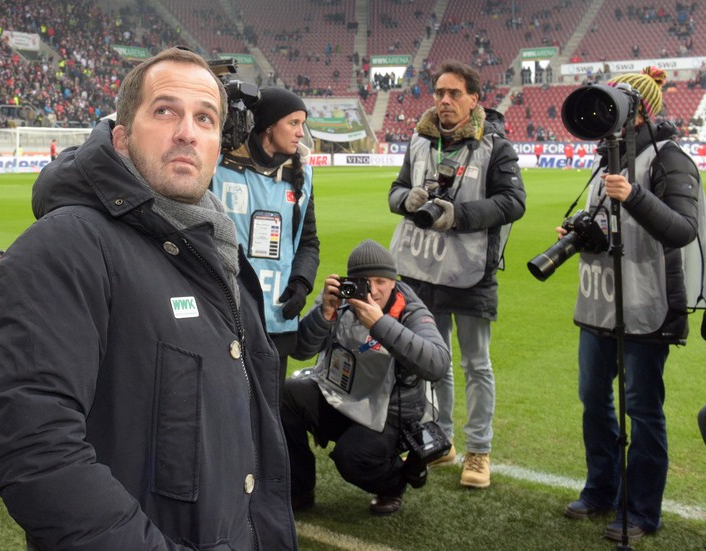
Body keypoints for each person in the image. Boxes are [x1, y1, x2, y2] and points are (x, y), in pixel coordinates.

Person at [0, 47, 297, 550]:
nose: (187, 131)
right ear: (121, 138)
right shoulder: (66, 246)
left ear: (218, 146)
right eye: (165, 111)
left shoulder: (215, 248)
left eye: (205, 118)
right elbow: (31, 448)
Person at [560, 67, 700, 543]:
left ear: (640, 109)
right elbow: (608, 225)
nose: (605, 110)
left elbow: (683, 229)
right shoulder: (605, 160)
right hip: (599, 304)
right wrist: (579, 234)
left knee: (641, 411)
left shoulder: (671, 159)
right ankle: (600, 490)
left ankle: (640, 512)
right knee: (593, 403)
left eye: (615, 101)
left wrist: (635, 195)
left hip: (646, 305)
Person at [388, 60, 526, 488]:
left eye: (454, 94)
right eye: (439, 93)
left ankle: (479, 452)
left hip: (470, 271)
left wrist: (458, 215)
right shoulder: (420, 141)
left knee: (476, 364)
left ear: (473, 99)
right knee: (435, 363)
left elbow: (513, 202)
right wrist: (406, 200)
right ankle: (441, 441)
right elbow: (394, 192)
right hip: (421, 270)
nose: (444, 101)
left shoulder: (495, 146)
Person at [282, 240, 450, 516]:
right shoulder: (341, 300)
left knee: (353, 457)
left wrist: (381, 325)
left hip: (389, 412)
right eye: (363, 281)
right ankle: (299, 487)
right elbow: (301, 351)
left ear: (394, 281)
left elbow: (437, 364)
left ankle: (394, 483)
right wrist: (324, 314)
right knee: (288, 394)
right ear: (350, 281)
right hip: (339, 394)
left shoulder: (410, 310)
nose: (373, 289)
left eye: (381, 281)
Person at [212, 86, 319, 387]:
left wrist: (302, 282)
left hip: (277, 320)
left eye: (303, 124)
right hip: (226, 315)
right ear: (269, 126)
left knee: (270, 417)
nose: (301, 132)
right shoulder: (219, 169)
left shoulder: (302, 176)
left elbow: (308, 242)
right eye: (293, 123)